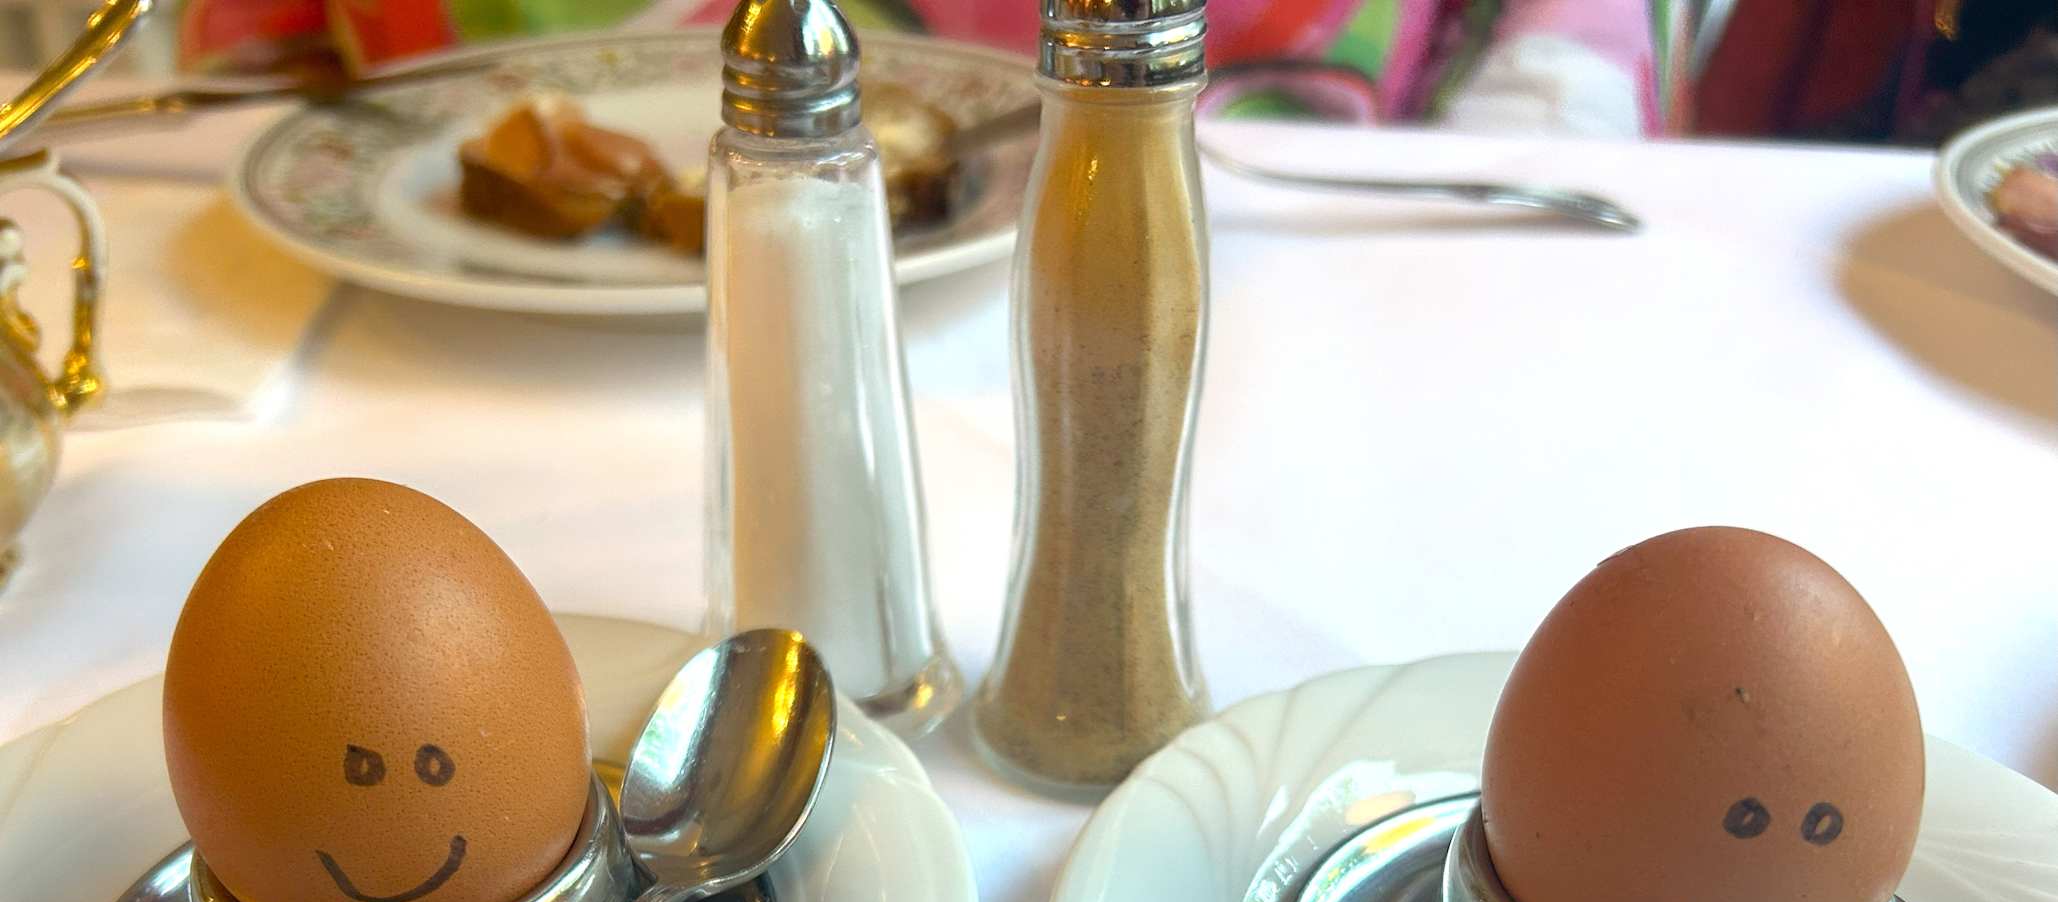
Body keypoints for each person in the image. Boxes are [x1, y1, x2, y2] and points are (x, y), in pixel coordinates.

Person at [177, 0, 1660, 138]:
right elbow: (243, 77)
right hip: (787, 167)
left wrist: (1543, 112)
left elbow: (1570, 53)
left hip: (1300, 170)